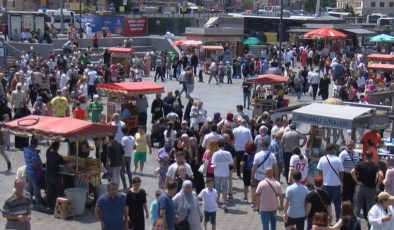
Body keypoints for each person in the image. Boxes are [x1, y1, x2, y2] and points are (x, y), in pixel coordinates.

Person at [351, 150, 383, 222]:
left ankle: (355, 226)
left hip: (361, 188)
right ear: (372, 156)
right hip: (371, 189)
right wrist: (377, 185)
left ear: (365, 156)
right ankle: (369, 226)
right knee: (370, 209)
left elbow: (352, 172)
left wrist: (357, 182)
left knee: (357, 208)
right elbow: (381, 175)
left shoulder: (360, 164)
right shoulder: (376, 165)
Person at [317, 143, 344, 221]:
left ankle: (326, 219)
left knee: (325, 204)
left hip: (325, 185)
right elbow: (341, 172)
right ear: (333, 150)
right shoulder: (338, 159)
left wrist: (320, 183)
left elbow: (319, 172)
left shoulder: (322, 159)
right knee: (337, 204)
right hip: (336, 185)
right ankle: (338, 219)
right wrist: (341, 182)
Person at [211, 139, 234, 213]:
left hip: (217, 172)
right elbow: (232, 164)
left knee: (217, 187)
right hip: (225, 173)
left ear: (217, 145)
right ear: (224, 145)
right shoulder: (228, 153)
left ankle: (217, 202)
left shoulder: (215, 154)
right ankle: (225, 201)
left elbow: (213, 163)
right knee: (225, 187)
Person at [23, 137, 42, 207]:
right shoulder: (33, 152)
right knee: (36, 188)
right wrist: (38, 170)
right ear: (35, 144)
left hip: (28, 171)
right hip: (34, 172)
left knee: (29, 188)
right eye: (37, 144)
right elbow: (34, 164)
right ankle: (38, 203)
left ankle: (29, 202)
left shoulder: (26, 149)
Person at [45, 141, 64, 209]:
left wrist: (51, 146)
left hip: (48, 175)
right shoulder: (58, 156)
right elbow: (63, 163)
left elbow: (48, 150)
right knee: (59, 190)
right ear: (58, 148)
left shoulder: (48, 153)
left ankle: (48, 205)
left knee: (49, 190)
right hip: (55, 175)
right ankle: (58, 205)